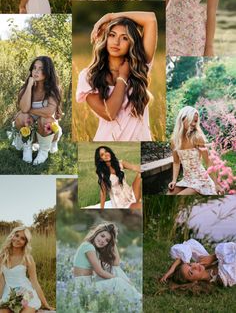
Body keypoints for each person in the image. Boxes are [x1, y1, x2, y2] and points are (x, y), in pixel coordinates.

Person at [76, 11, 157, 141]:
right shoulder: (88, 76)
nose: (116, 42)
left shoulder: (140, 66)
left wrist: (109, 16)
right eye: (112, 35)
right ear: (106, 38)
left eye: (124, 38)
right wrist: (122, 78)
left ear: (132, 43)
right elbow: (109, 114)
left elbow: (150, 19)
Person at [73, 223, 141, 307]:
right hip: (82, 289)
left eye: (107, 240)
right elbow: (100, 272)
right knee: (117, 281)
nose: (103, 241)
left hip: (88, 286)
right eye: (102, 236)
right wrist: (120, 280)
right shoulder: (88, 246)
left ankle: (136, 297)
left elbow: (116, 263)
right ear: (96, 233)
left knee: (114, 269)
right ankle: (137, 299)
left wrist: (113, 243)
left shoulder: (95, 250)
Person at [12, 56, 62, 165]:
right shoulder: (25, 88)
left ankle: (43, 152)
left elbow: (49, 111)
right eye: (34, 68)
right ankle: (27, 148)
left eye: (41, 69)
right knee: (22, 117)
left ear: (47, 71)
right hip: (29, 129)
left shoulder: (54, 89)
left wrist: (29, 110)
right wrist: (29, 85)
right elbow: (24, 110)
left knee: (45, 119)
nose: (36, 71)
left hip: (45, 129)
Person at [167, 106, 222, 195]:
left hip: (201, 181)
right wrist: (174, 181)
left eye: (195, 121)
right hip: (187, 180)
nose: (193, 123)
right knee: (169, 194)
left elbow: (208, 162)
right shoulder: (174, 140)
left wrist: (216, 184)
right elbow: (176, 162)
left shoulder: (197, 137)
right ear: (182, 119)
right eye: (191, 120)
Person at [0, 225, 54, 312]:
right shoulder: (2, 257)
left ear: (25, 242)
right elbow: (1, 282)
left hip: (26, 294)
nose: (18, 239)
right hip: (8, 294)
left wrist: (46, 304)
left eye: (22, 238)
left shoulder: (27, 258)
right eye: (17, 235)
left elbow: (35, 283)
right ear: (12, 235)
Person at [160, 238, 236, 288]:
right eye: (191, 273)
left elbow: (189, 244)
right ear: (194, 282)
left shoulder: (204, 264)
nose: (194, 267)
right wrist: (213, 257)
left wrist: (172, 269)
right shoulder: (226, 276)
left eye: (190, 264)